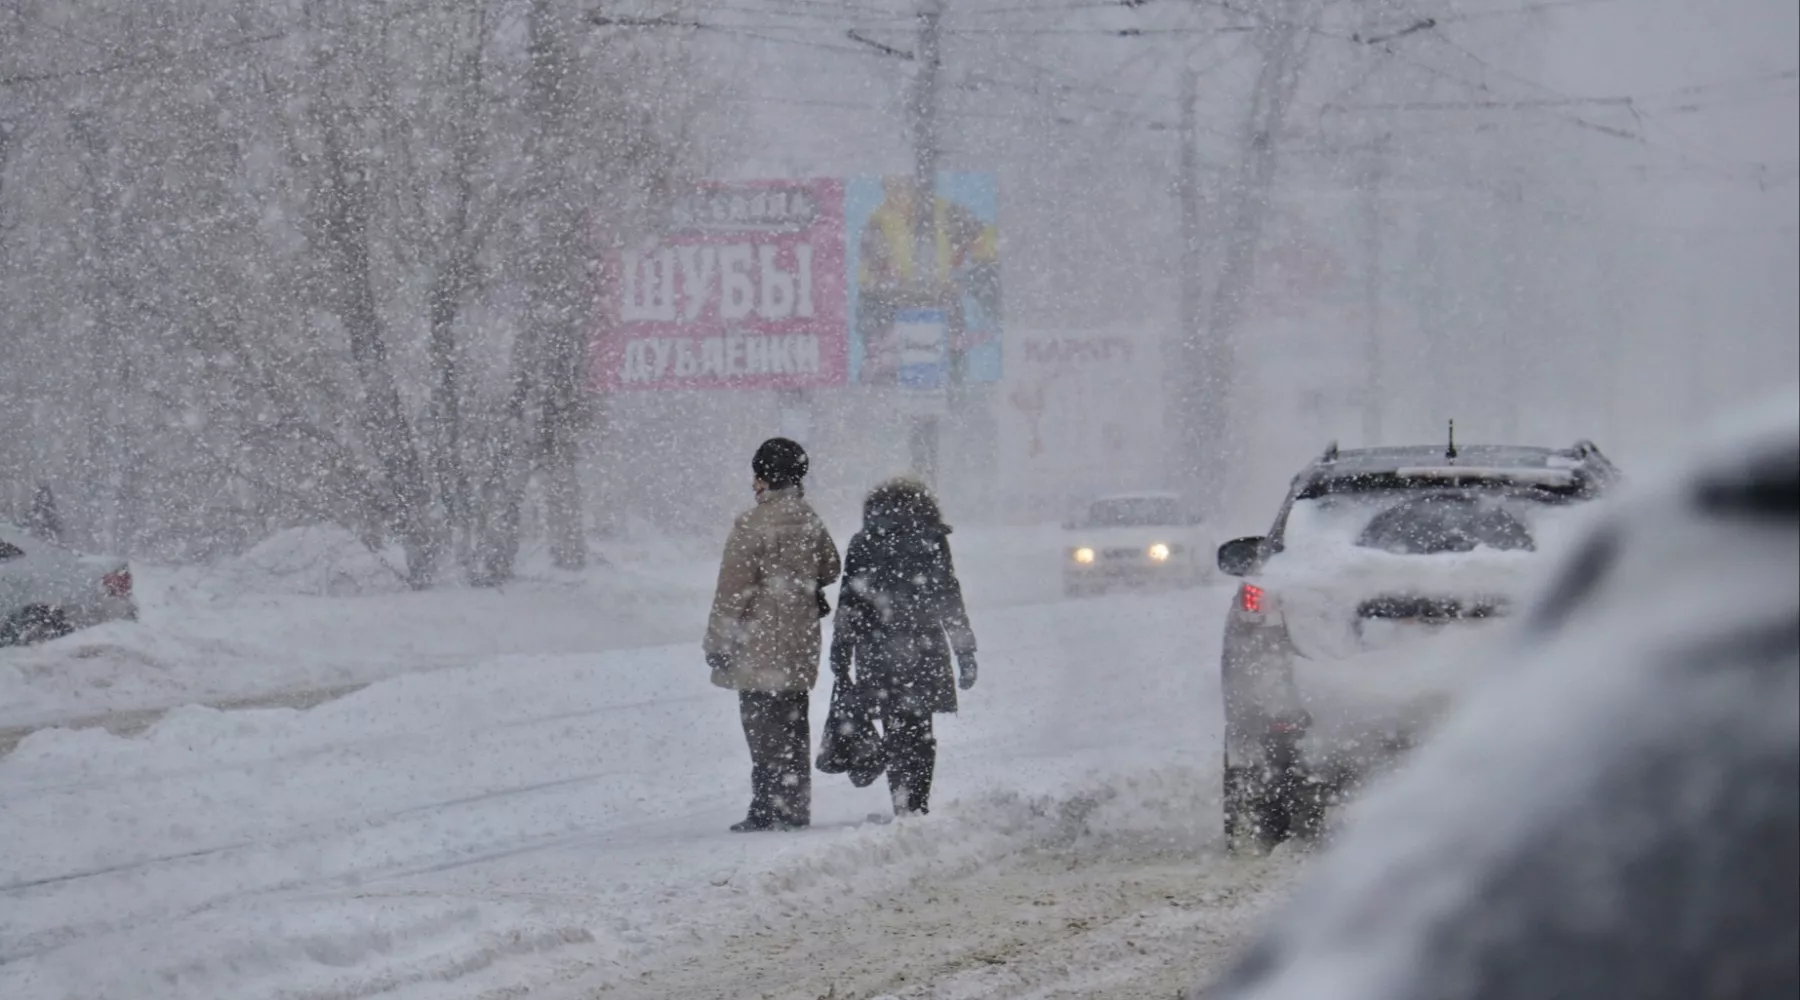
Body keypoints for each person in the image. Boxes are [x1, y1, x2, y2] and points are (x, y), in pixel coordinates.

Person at [704, 437, 842, 833]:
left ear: (763, 478)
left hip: (759, 644)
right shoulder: (809, 518)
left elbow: (732, 591)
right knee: (794, 725)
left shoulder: (752, 524)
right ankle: (794, 806)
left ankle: (766, 806)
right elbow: (830, 567)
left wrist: (718, 643)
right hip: (799, 641)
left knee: (762, 728)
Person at [829, 477, 978, 817]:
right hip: (925, 647)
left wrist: (841, 650)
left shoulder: (864, 542)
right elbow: (948, 596)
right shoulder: (932, 540)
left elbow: (849, 602)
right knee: (921, 730)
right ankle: (919, 803)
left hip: (876, 650)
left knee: (895, 730)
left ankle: (901, 804)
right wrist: (964, 651)